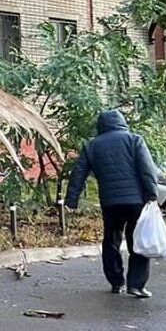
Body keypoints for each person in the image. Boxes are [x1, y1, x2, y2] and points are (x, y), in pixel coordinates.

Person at [65, 110, 160, 298]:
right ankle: (136, 285)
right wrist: (152, 195)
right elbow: (147, 170)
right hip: (136, 201)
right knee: (138, 241)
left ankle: (116, 282)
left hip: (110, 202)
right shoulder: (134, 140)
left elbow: (78, 173)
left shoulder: (91, 145)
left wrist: (72, 199)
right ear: (122, 122)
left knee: (111, 240)